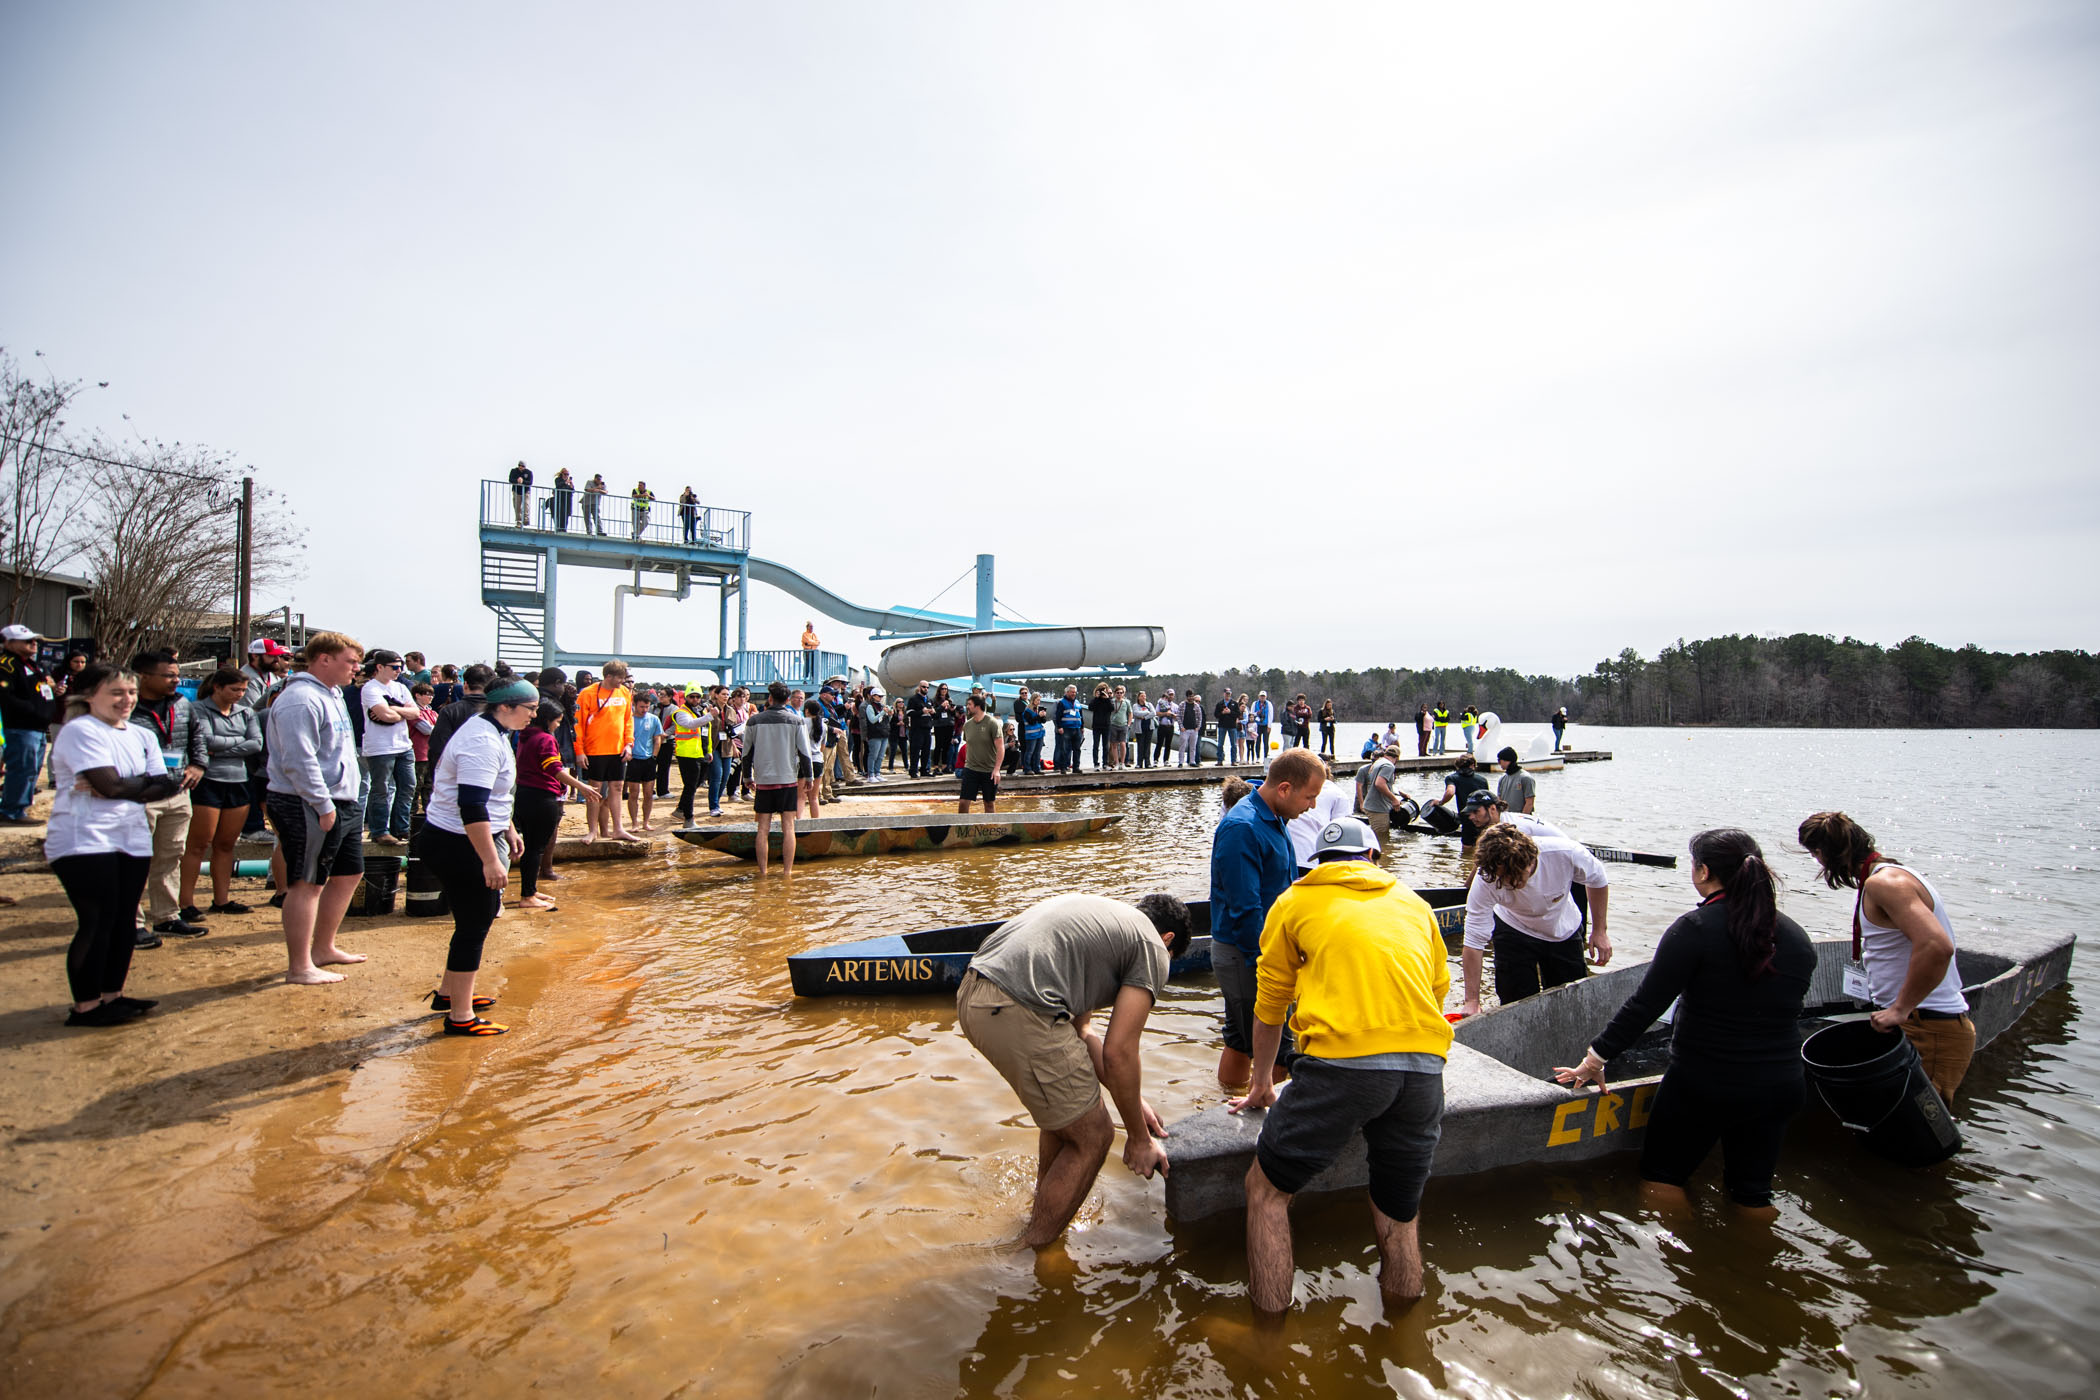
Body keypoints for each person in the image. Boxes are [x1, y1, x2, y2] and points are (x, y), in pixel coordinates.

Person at [1228, 815, 1453, 1310]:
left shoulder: (1294, 901)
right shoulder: (1415, 904)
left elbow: (1269, 1010)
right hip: (1424, 1069)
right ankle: (1403, 1335)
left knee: (1265, 1191)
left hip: (1342, 1068)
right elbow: (1437, 992)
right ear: (1374, 858)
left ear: (1316, 865)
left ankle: (1267, 1337)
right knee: (1399, 1211)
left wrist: (1262, 1083)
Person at [1556, 829, 1814, 1218]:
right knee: (1753, 1193)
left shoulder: (1695, 929)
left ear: (1703, 871)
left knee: (1663, 1179)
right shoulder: (1797, 937)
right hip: (1780, 1084)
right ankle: (1755, 1264)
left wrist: (1595, 1059)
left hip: (1706, 1081)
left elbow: (1644, 1006)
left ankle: (1687, 1269)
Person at [955, 892, 1191, 1247]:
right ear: (1168, 940)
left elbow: (1083, 1032)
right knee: (1095, 1134)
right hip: (1017, 1004)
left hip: (975, 993)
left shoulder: (1106, 920)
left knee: (1069, 1122)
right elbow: (1120, 1052)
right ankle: (1029, 1251)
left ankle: (1039, 1216)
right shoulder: (1152, 947)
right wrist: (1139, 1141)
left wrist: (1132, 1100)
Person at [1798, 811, 1975, 1102]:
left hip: (1928, 1025)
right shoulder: (1892, 875)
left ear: (1821, 853)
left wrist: (1900, 1009)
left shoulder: (1886, 884)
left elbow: (1936, 946)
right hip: (1920, 1022)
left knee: (1919, 1131)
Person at [47, 664, 185, 1025]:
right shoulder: (80, 731)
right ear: (90, 695)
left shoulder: (141, 735)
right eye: (117, 693)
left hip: (131, 837)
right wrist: (128, 786)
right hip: (84, 838)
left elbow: (164, 784)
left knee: (124, 920)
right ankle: (86, 1007)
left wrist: (124, 785)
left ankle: (113, 995)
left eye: (131, 693)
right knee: (98, 918)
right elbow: (112, 787)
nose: (126, 700)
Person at [423, 678, 538, 1035]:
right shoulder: (482, 740)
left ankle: (449, 994)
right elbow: (471, 805)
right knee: (476, 923)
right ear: (505, 706)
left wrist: (508, 827)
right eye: (529, 709)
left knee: (468, 923)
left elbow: (492, 797)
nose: (533, 716)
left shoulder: (492, 729)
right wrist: (489, 859)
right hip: (459, 841)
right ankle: (460, 1018)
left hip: (461, 836)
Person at [1209, 749, 1326, 1092]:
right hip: (1247, 950)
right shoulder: (1242, 827)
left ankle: (1227, 1102)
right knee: (1274, 1047)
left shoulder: (1272, 815)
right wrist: (1271, 962)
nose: (1313, 806)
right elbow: (1244, 909)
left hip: (1258, 946)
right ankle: (1265, 1116)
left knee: (1239, 1038)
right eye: (1310, 796)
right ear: (1285, 789)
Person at [265, 633, 370, 985]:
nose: (356, 669)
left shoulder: (334, 694)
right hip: (306, 802)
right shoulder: (300, 698)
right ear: (323, 659)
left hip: (343, 798)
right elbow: (299, 759)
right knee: (307, 882)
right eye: (350, 661)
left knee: (349, 873)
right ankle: (299, 966)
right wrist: (322, 804)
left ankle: (323, 947)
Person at [1460, 822, 1611, 1015]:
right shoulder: (1486, 879)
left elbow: (1598, 879)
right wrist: (1472, 1000)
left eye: (1513, 877)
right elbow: (1473, 941)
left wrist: (1600, 931)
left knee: (1570, 1004)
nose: (1508, 883)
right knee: (1514, 1004)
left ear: (1530, 861)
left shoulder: (1564, 853)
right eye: (1502, 878)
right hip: (1513, 928)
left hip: (1562, 929)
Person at [128, 651, 209, 939]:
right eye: (168, 675)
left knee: (170, 856)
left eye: (176, 675)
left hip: (177, 792)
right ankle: (132, 922)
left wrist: (198, 764)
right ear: (143, 676)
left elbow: (196, 736)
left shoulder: (182, 704)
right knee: (134, 859)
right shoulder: (126, 706)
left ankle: (166, 916)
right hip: (138, 795)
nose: (176, 680)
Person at [180, 669, 261, 919]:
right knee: (197, 844)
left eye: (242, 691)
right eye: (234, 689)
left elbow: (256, 743)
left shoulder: (246, 712)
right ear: (217, 687)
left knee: (226, 844)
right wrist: (237, 743)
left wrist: (222, 747)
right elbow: (205, 741)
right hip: (207, 782)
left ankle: (221, 899)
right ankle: (185, 902)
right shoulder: (198, 709)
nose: (239, 695)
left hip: (238, 781)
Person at [512, 699, 597, 909]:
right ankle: (527, 896)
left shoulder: (525, 735)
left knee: (531, 847)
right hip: (541, 797)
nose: (558, 725)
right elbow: (554, 769)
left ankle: (529, 890)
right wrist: (583, 787)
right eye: (558, 722)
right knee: (535, 849)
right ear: (548, 720)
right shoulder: (545, 739)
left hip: (523, 795)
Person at [358, 649, 419, 846]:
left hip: (403, 745)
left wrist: (393, 709)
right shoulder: (370, 688)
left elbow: (415, 712)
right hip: (380, 748)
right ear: (379, 667)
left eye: (400, 667)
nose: (398, 670)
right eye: (394, 667)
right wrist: (400, 712)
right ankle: (379, 830)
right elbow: (385, 716)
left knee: (408, 786)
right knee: (381, 789)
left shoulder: (400, 688)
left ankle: (401, 828)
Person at [0, 623, 58, 824]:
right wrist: (31, 709)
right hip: (20, 726)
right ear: (9, 642)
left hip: (38, 727)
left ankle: (20, 806)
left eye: (34, 640)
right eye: (27, 641)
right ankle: (11, 811)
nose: (34, 644)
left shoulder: (33, 664)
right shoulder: (6, 664)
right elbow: (5, 695)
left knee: (32, 768)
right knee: (22, 768)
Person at [574, 661, 638, 842]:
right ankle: (592, 830)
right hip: (594, 749)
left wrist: (628, 743)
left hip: (618, 749)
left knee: (617, 788)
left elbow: (628, 721)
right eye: (619, 678)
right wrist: (579, 750)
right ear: (608, 676)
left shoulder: (625, 692)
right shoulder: (587, 694)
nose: (622, 681)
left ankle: (618, 828)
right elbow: (578, 724)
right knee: (595, 789)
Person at [746, 682, 803, 874]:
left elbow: (746, 753)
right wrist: (809, 776)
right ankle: (787, 873)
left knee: (763, 828)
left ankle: (763, 872)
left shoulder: (754, 721)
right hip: (788, 778)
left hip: (764, 780)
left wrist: (747, 777)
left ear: (769, 699)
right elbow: (804, 752)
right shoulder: (796, 720)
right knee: (789, 827)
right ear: (788, 700)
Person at [1286, 759, 1357, 874]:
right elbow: (1342, 835)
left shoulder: (1290, 789)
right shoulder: (1338, 793)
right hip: (1311, 857)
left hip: (1284, 857)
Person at [666, 684, 713, 820]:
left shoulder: (701, 712)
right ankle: (688, 817)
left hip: (701, 753)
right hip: (687, 754)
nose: (695, 699)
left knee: (696, 784)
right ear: (686, 697)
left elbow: (706, 734)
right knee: (690, 786)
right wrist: (710, 715)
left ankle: (681, 809)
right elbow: (690, 724)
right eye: (692, 696)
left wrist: (709, 751)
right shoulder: (681, 712)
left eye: (698, 696)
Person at [623, 689, 665, 833]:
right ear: (634, 704)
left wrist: (654, 756)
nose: (644, 710)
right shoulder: (628, 719)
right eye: (641, 707)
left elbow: (657, 739)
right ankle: (634, 822)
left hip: (648, 759)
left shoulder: (653, 719)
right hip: (633, 759)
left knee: (648, 793)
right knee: (633, 793)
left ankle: (645, 822)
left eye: (647, 707)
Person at [1434, 753, 1492, 847]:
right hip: (1483, 818)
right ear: (1473, 765)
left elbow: (1450, 792)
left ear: (1458, 766)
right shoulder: (1482, 780)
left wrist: (1441, 802)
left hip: (1467, 817)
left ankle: (1465, 861)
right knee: (1482, 846)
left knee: (1467, 848)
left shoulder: (1452, 778)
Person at [958, 693, 1003, 813]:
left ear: (977, 706)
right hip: (970, 769)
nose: (967, 706)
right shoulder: (967, 725)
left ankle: (990, 828)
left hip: (989, 770)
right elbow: (968, 744)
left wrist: (997, 769)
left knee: (989, 804)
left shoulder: (992, 723)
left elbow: (1000, 747)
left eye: (969, 704)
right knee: (963, 802)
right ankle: (963, 828)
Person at [1359, 744, 1408, 852]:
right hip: (1378, 808)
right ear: (1397, 758)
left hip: (1372, 805)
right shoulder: (1389, 765)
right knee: (1382, 842)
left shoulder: (1378, 762)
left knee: (1377, 838)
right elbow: (1380, 784)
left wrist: (1398, 793)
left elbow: (1384, 784)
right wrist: (1394, 799)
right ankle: (1383, 864)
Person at [408, 681, 438, 812]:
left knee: (429, 787)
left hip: (430, 755)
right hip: (418, 755)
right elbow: (427, 729)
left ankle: (428, 815)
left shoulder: (432, 712)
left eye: (432, 694)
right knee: (415, 787)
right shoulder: (413, 712)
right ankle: (412, 816)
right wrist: (439, 728)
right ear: (417, 695)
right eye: (427, 694)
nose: (430, 697)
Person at [1054, 684, 1085, 775]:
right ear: (1067, 692)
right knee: (1064, 749)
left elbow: (1081, 716)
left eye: (1075, 692)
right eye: (1072, 692)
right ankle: (1063, 767)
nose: (1073, 694)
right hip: (1066, 729)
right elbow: (1058, 716)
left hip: (1077, 729)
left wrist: (1082, 727)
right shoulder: (1062, 702)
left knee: (1077, 749)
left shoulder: (1078, 703)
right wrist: (1059, 727)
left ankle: (1076, 767)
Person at [1014, 688, 1045, 776]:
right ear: (1033, 700)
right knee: (1029, 751)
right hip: (1031, 734)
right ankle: (1027, 768)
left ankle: (1037, 768)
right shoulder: (1027, 710)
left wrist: (1043, 716)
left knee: (1037, 752)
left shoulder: (1038, 709)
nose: (1039, 702)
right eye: (1037, 700)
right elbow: (1031, 721)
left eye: (1039, 700)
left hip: (1039, 734)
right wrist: (1039, 716)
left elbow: (1043, 721)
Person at [1495, 747, 1535, 814]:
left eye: (1499, 760)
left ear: (1507, 761)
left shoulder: (1525, 778)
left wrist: (1521, 819)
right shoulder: (1502, 778)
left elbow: (1529, 803)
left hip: (1520, 818)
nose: (1499, 763)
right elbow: (1499, 800)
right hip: (1506, 818)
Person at [860, 688, 889, 781]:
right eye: (878, 696)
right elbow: (872, 720)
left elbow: (885, 720)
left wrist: (889, 714)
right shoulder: (869, 707)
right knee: (873, 755)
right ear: (873, 696)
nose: (880, 698)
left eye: (881, 696)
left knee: (881, 755)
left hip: (884, 733)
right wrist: (883, 712)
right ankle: (871, 774)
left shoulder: (881, 706)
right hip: (874, 733)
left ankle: (877, 772)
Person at [1088, 682, 1114, 770]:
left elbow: (1112, 709)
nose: (1103, 692)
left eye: (1104, 690)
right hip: (1096, 725)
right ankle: (1096, 764)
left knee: (1106, 746)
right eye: (1101, 690)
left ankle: (1105, 764)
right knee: (1096, 745)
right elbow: (1090, 708)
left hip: (1106, 725)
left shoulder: (1108, 700)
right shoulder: (1096, 700)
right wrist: (1096, 698)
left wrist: (1107, 698)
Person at [1213, 688, 1242, 766]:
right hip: (1222, 726)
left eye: (1229, 694)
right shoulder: (1220, 704)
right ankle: (1219, 760)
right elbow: (1216, 715)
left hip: (1232, 726)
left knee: (1233, 744)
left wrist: (1230, 712)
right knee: (1220, 744)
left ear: (1231, 694)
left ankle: (1233, 760)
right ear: (1224, 694)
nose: (1227, 695)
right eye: (1226, 693)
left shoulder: (1235, 704)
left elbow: (1238, 714)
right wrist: (1222, 713)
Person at [1108, 684, 1132, 769]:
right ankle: (1116, 763)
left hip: (1123, 725)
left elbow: (1130, 713)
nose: (1119, 694)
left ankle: (1123, 763)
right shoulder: (1112, 702)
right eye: (1117, 692)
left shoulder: (1127, 702)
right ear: (1115, 693)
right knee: (1114, 745)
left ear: (1123, 694)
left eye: (1121, 693)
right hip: (1113, 724)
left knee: (1123, 744)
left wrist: (1128, 724)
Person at [1178, 690, 1204, 766]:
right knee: (1182, 746)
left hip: (1194, 729)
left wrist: (1198, 727)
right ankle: (1180, 762)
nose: (1191, 698)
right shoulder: (1182, 705)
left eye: (1192, 696)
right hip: (1184, 729)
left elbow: (1200, 717)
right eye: (1190, 696)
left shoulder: (1196, 706)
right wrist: (1181, 726)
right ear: (1187, 697)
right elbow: (1178, 716)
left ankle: (1192, 761)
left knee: (1193, 747)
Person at [1152, 688, 1177, 767]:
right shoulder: (1160, 703)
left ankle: (1166, 760)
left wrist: (1173, 715)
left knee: (1168, 744)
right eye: (1169, 695)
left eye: (1172, 695)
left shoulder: (1175, 706)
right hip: (1162, 726)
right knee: (1159, 743)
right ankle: (1155, 760)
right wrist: (1166, 713)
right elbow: (1157, 713)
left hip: (1171, 726)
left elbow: (1178, 716)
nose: (1170, 696)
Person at [1131, 690, 1153, 770]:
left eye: (1144, 696)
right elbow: (1136, 713)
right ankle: (1139, 763)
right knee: (1140, 745)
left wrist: (1145, 717)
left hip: (1149, 728)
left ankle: (1148, 763)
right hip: (1140, 729)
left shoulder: (1149, 705)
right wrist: (1147, 712)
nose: (1143, 698)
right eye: (1142, 696)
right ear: (1138, 697)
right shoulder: (1135, 705)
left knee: (1147, 745)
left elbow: (1153, 713)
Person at [508, 460, 533, 526]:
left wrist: (522, 481)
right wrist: (517, 480)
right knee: (517, 507)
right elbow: (510, 479)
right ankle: (518, 522)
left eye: (522, 466)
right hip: (516, 491)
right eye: (519, 465)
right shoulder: (514, 471)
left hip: (525, 491)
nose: (520, 467)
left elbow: (530, 482)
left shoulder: (529, 472)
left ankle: (526, 519)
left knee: (526, 505)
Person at [551, 467, 576, 532]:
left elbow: (572, 491)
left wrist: (571, 486)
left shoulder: (568, 483)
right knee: (560, 514)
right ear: (562, 474)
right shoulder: (558, 480)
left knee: (566, 515)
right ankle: (559, 528)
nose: (566, 476)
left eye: (567, 474)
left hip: (567, 501)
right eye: (565, 474)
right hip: (560, 500)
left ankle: (564, 528)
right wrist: (565, 482)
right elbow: (558, 486)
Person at [1251, 691, 1273, 760]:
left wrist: (1269, 726)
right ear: (1259, 696)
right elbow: (1252, 714)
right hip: (1257, 725)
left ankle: (1266, 757)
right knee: (1257, 741)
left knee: (1266, 741)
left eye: (1263, 696)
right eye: (1261, 696)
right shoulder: (1255, 704)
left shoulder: (1269, 704)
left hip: (1265, 725)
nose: (1262, 698)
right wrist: (1257, 713)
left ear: (1266, 697)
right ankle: (1257, 757)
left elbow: (1270, 715)